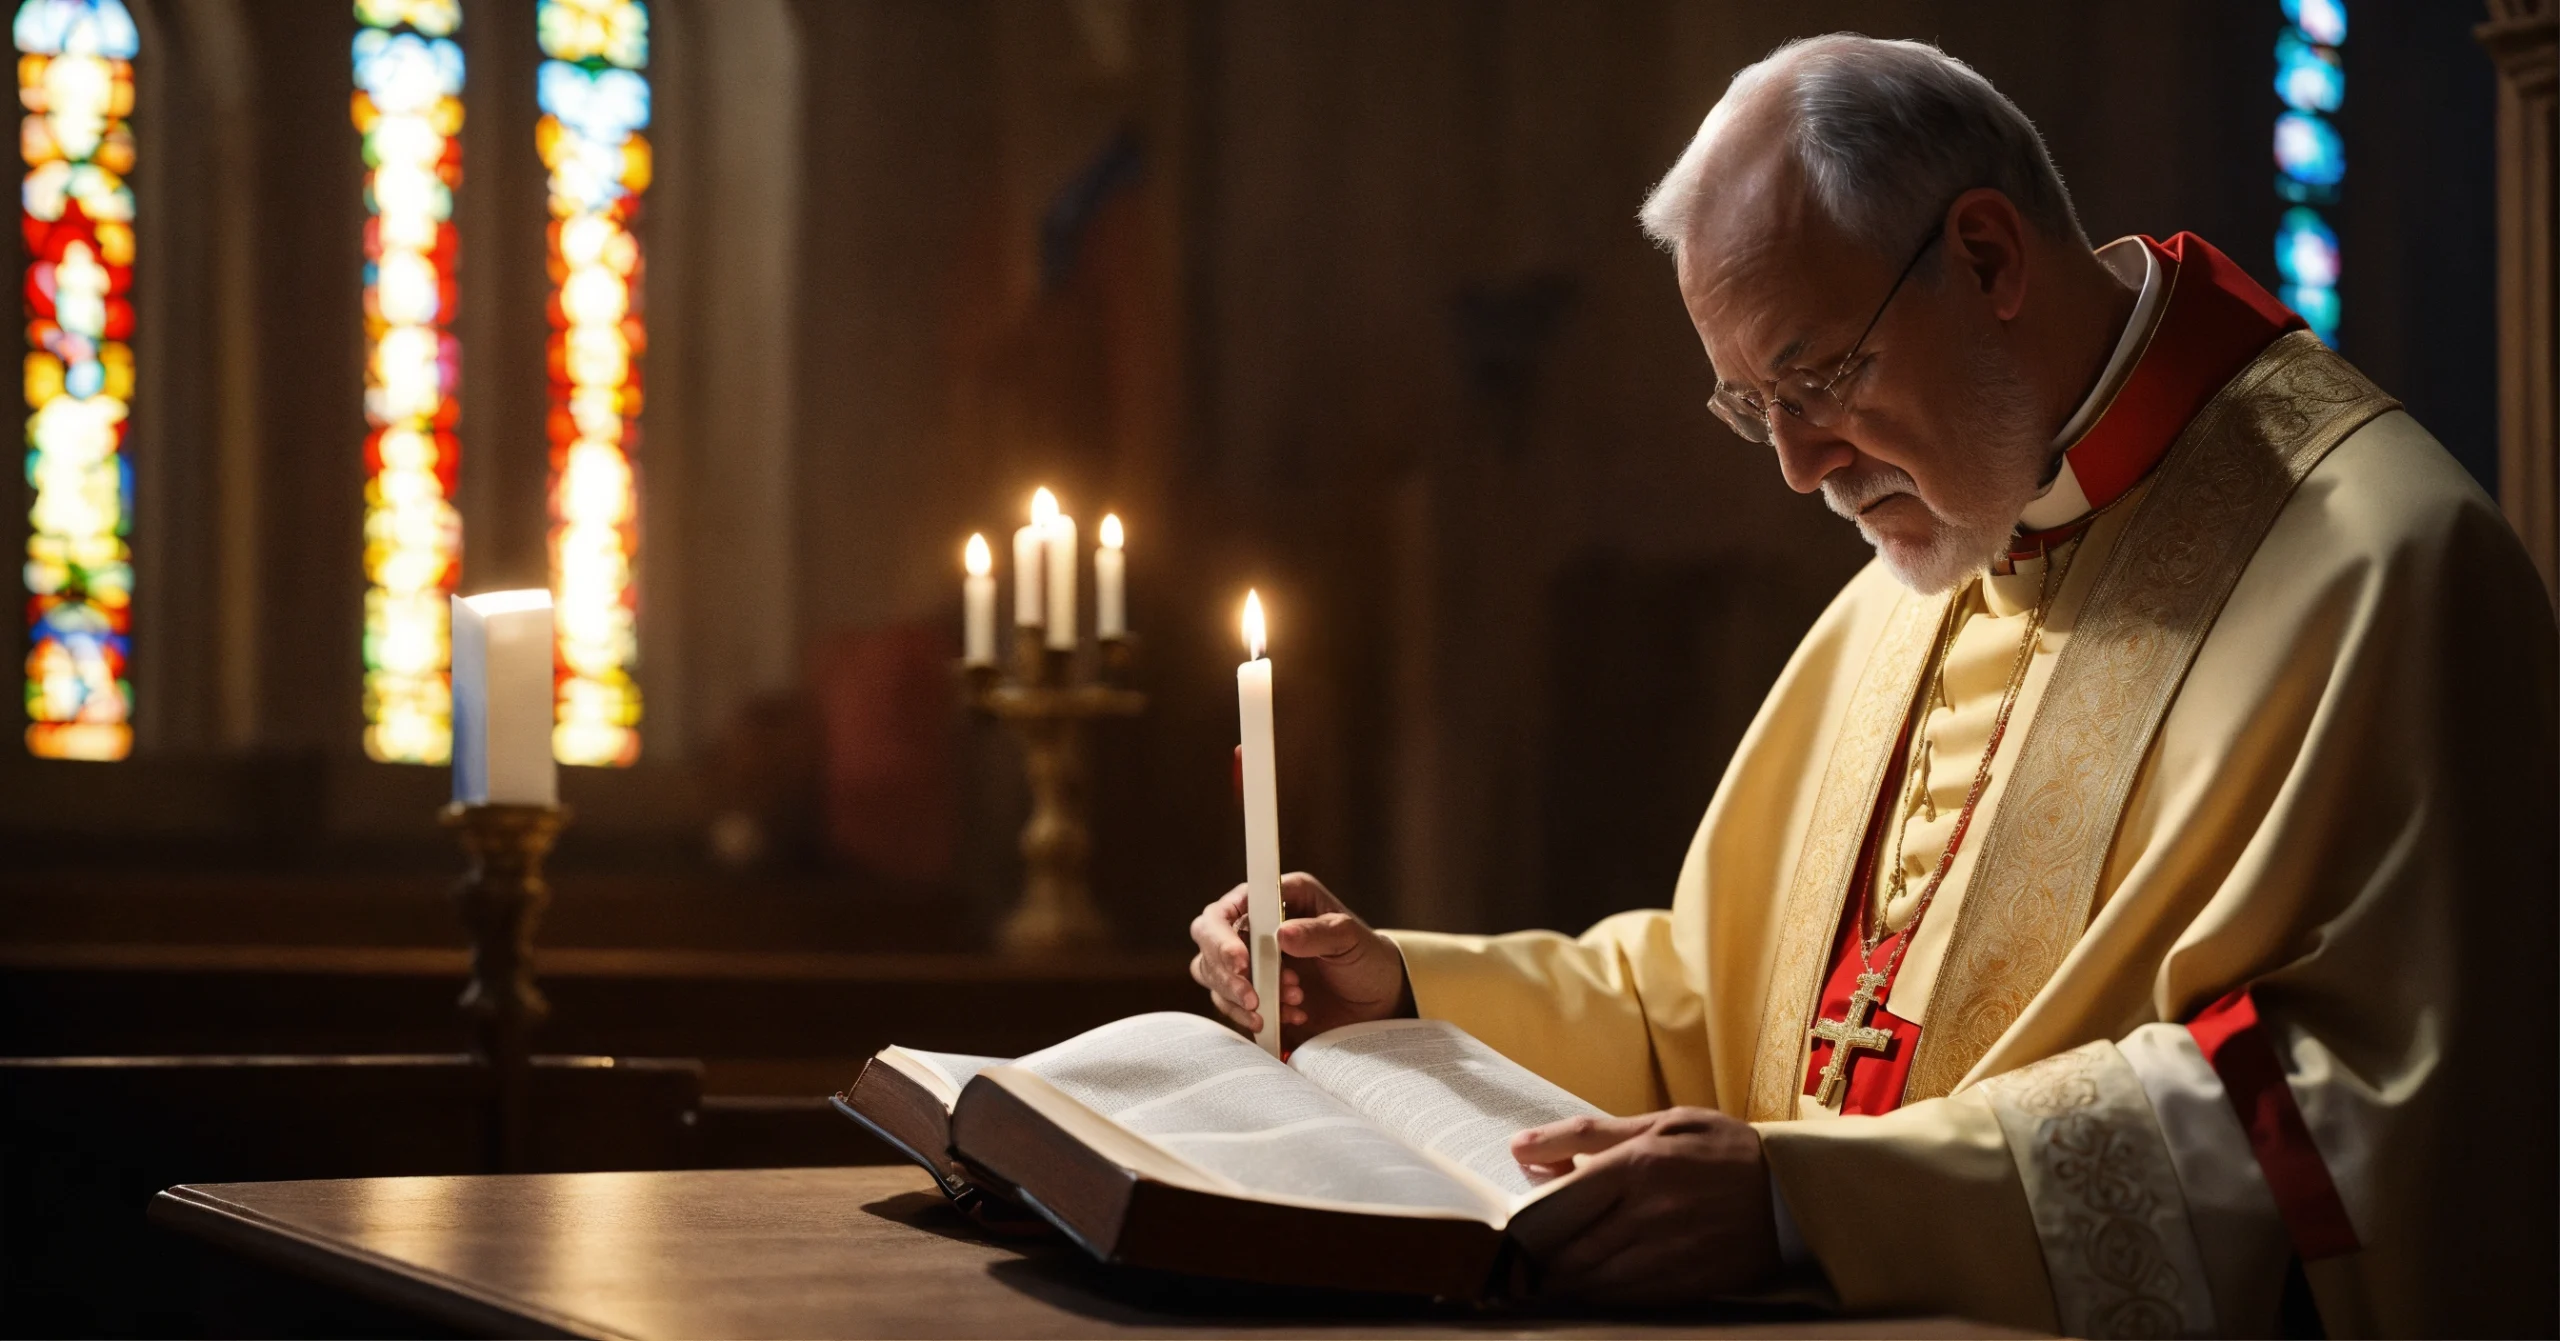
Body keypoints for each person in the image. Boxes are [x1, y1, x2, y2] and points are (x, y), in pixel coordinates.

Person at [1187, 33, 2555, 1338]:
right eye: (1747, 403)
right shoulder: (1929, 557)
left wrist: (1818, 1205)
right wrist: (1408, 993)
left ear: (1984, 256)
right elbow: (1715, 1011)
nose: (1796, 464)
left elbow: (2370, 1132)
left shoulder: (2385, 563)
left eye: (1818, 375)